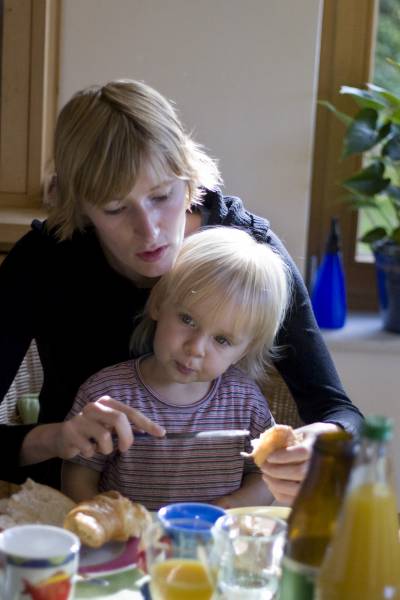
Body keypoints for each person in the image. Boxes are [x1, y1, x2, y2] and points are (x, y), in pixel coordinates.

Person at [0, 79, 363, 503]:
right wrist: (57, 438)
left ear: (187, 177)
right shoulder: (46, 259)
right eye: (116, 209)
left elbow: (338, 411)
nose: (149, 230)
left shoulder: (246, 252)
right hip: (73, 517)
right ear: (80, 204)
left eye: (162, 196)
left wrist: (322, 440)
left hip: (213, 522)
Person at [61, 226, 290, 510]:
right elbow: (77, 475)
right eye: (187, 320)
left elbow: (267, 474)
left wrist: (233, 505)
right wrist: (108, 521)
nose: (195, 347)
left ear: (244, 350)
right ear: (158, 303)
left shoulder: (246, 403)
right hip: (132, 547)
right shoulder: (108, 394)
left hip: (213, 547)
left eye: (222, 339)